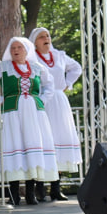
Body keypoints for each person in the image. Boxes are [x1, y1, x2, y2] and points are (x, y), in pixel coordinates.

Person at [0, 37, 58, 205]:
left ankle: (30, 192)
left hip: (34, 114)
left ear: (27, 50)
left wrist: (41, 99)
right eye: (13, 47)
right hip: (11, 112)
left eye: (19, 47)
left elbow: (50, 85)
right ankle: (13, 194)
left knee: (31, 147)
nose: (15, 50)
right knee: (13, 146)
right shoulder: (3, 67)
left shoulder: (37, 68)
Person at [29, 27, 83, 201]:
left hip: (59, 100)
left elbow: (76, 68)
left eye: (48, 36)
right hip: (42, 100)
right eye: (41, 37)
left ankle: (55, 187)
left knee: (58, 139)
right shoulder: (31, 57)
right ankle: (40, 187)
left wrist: (67, 84)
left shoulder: (59, 55)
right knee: (44, 139)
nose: (46, 39)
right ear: (35, 41)